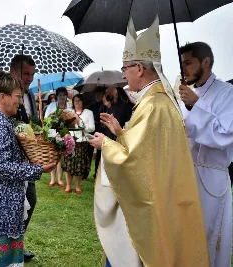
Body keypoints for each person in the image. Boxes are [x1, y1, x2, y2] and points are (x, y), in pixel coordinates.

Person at [89, 16, 209, 267]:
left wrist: (106, 145)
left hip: (149, 207)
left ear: (139, 69)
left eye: (125, 68)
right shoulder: (155, 101)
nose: (124, 74)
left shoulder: (154, 105)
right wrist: (121, 133)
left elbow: (136, 161)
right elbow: (148, 149)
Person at [0, 71, 55, 266]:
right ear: (2, 97)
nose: (21, 102)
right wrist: (37, 169)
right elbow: (1, 167)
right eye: (17, 96)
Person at [0, 55, 39, 260]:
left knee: (27, 202)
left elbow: (28, 123)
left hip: (21, 162)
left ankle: (15, 241)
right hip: (6, 171)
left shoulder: (28, 95)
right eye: (26, 74)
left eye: (32, 74)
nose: (30, 78)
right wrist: (8, 127)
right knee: (3, 215)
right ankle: (9, 243)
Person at [178, 42, 233, 267]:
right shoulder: (185, 94)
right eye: (182, 64)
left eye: (188, 63)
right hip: (187, 174)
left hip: (212, 177)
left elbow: (224, 134)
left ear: (206, 62)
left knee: (209, 235)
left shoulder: (226, 93)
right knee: (186, 234)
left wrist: (197, 105)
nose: (184, 69)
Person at [63, 94, 95, 194]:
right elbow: (64, 126)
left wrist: (79, 121)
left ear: (83, 102)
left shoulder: (88, 113)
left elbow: (92, 128)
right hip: (70, 141)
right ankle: (68, 186)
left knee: (79, 165)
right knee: (68, 165)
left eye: (79, 101)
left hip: (81, 142)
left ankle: (77, 186)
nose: (77, 103)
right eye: (75, 101)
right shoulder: (69, 112)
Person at [44, 87, 72, 187]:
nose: (62, 97)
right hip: (52, 132)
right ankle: (52, 179)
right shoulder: (52, 105)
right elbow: (46, 118)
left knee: (60, 156)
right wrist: (54, 116)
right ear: (57, 96)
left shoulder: (69, 106)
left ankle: (60, 179)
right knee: (53, 155)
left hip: (64, 132)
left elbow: (72, 119)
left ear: (66, 96)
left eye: (64, 95)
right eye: (60, 95)